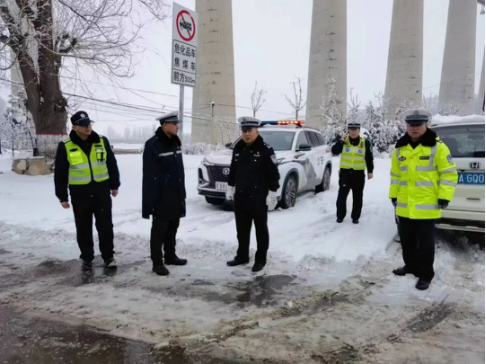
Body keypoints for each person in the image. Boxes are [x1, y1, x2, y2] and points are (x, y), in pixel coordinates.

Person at [390, 109, 458, 291]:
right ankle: (410, 266)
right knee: (407, 240)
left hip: (427, 206)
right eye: (411, 125)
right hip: (405, 205)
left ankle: (426, 274)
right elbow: (395, 175)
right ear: (406, 126)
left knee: (426, 244)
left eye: (418, 125)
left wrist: (444, 195)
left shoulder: (438, 147)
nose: (414, 129)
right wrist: (393, 194)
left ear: (426, 125)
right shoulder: (400, 148)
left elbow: (449, 174)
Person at [54, 111, 120, 271]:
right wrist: (62, 196)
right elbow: (60, 173)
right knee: (83, 227)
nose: (87, 127)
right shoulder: (66, 145)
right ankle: (87, 258)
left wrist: (114, 185)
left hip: (101, 192)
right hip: (80, 194)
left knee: (105, 226)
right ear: (75, 127)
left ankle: (108, 256)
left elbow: (111, 164)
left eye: (89, 124)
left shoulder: (102, 142)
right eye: (83, 125)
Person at [226, 117, 281, 273]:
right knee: (241, 229)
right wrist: (230, 187)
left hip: (258, 197)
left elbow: (273, 173)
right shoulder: (238, 147)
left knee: (260, 229)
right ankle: (242, 255)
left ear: (256, 131)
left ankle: (260, 259)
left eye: (250, 131)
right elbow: (233, 169)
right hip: (241, 196)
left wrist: (272, 192)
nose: (247, 134)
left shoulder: (265, 149)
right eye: (244, 131)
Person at [143, 111, 187, 277]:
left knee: (173, 228)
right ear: (164, 125)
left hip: (175, 194)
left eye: (177, 124)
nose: (177, 127)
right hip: (161, 196)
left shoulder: (175, 143)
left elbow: (178, 170)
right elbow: (149, 175)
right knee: (159, 230)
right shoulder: (153, 144)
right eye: (175, 124)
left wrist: (181, 192)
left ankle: (170, 255)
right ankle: (157, 262)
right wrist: (152, 199)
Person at [332, 121, 374, 224]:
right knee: (342, 196)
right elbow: (334, 151)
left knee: (358, 196)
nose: (353, 132)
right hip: (345, 173)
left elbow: (369, 158)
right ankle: (340, 216)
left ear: (359, 131)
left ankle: (355, 217)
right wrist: (340, 142)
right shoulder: (344, 141)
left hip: (358, 174)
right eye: (351, 130)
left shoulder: (365, 143)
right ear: (348, 131)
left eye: (355, 130)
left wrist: (370, 171)